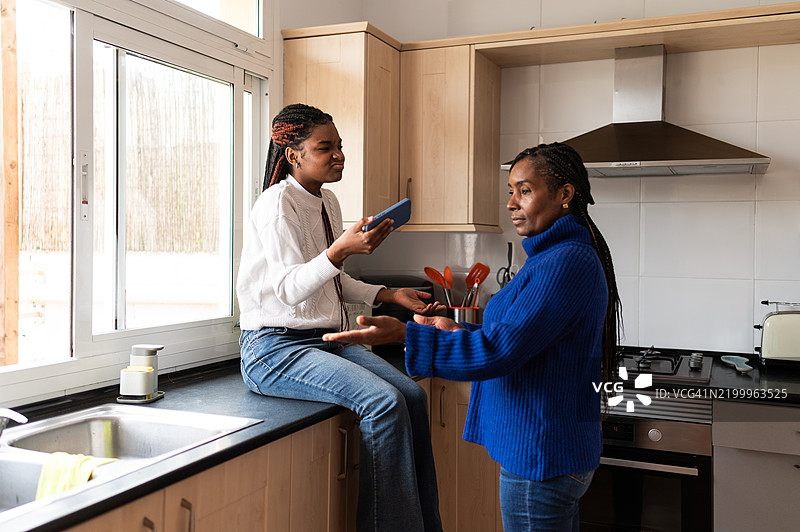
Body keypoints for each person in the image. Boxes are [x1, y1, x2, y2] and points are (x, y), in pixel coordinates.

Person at [324, 142, 621, 531]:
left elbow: (499, 351)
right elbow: (521, 338)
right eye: (511, 191)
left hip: (541, 454)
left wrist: (404, 334)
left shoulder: (563, 262)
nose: (511, 203)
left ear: (565, 193)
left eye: (525, 190)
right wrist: (455, 328)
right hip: (549, 450)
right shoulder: (557, 256)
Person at [237, 103, 444, 532]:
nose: (339, 156)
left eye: (340, 146)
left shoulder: (327, 201)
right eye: (325, 147)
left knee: (413, 396)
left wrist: (389, 294)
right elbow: (289, 288)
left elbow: (333, 279)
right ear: (293, 155)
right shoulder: (276, 205)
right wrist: (338, 251)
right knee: (384, 402)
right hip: (272, 350)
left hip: (323, 341)